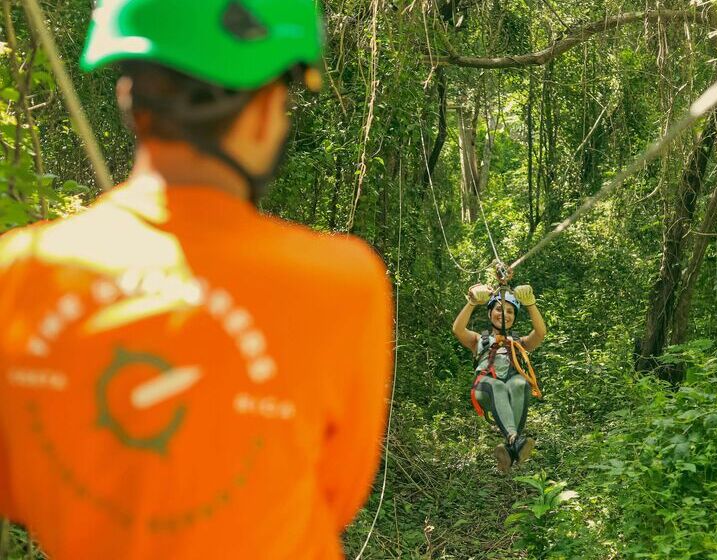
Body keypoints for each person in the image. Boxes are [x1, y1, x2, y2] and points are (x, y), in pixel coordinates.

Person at [0, 1, 393, 558]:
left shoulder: (19, 273)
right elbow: (337, 494)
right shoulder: (342, 284)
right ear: (266, 110)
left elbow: (18, 492)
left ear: (128, 96)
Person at [452, 283, 546, 473]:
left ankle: (510, 447)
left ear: (514, 318)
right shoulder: (479, 340)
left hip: (511, 386)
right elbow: (458, 329)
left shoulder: (518, 342)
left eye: (510, 311)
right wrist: (472, 302)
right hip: (485, 386)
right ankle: (514, 440)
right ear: (490, 313)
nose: (504, 314)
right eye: (499, 309)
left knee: (520, 383)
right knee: (498, 387)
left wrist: (531, 304)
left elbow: (540, 333)